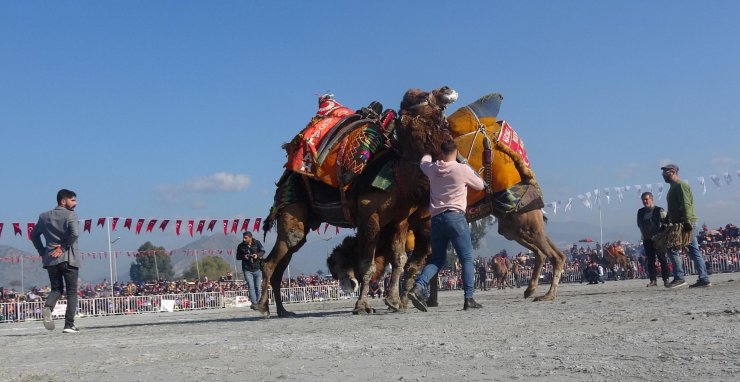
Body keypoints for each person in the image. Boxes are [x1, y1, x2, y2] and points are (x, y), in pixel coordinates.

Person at [408, 139, 485, 311]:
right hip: (455, 217)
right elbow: (481, 185)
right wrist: (465, 163)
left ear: (441, 153)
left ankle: (419, 286)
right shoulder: (462, 169)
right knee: (466, 258)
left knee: (436, 259)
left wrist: (428, 151)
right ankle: (469, 298)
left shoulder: (433, 168)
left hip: (436, 219)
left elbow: (423, 162)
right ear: (456, 153)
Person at [30, 189, 80, 333]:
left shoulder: (44, 216)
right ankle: (69, 325)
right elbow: (75, 234)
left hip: (51, 259)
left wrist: (42, 251)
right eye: (73, 200)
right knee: (71, 292)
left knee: (56, 289)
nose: (75, 203)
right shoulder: (71, 215)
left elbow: (33, 235)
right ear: (63, 201)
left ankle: (47, 308)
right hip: (69, 258)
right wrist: (64, 247)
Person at [661, 164, 712, 288]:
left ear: (672, 172)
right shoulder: (673, 187)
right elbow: (675, 206)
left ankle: (680, 277)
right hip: (680, 222)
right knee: (692, 251)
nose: (663, 175)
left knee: (672, 248)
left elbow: (686, 203)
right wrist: (668, 218)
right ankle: (703, 278)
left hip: (685, 223)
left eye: (665, 172)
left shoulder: (681, 185)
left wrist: (687, 221)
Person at [636, 192, 671, 287]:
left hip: (659, 239)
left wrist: (662, 235)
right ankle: (653, 280)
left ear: (651, 199)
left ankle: (666, 279)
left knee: (662, 259)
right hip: (647, 239)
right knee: (650, 260)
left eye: (646, 199)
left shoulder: (660, 210)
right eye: (643, 200)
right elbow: (639, 224)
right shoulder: (640, 212)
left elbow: (667, 223)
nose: (644, 201)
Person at [236, 231, 266, 305]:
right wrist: (243, 256)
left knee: (258, 287)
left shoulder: (257, 243)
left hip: (257, 268)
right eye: (243, 238)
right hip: (247, 269)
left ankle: (259, 302)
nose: (244, 239)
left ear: (250, 238)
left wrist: (257, 255)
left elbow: (263, 251)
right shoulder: (240, 246)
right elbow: (237, 256)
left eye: (246, 238)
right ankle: (254, 303)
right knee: (250, 286)